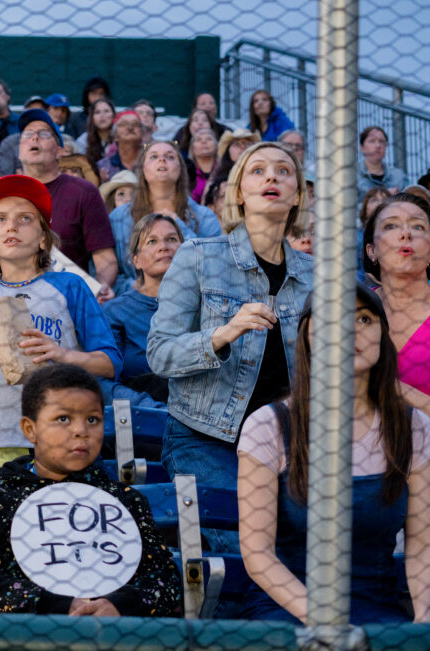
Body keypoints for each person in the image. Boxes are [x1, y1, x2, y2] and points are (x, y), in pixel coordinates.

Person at [147, 141, 312, 553]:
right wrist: (222, 334)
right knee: (243, 548)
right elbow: (160, 353)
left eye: (283, 171)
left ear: (297, 195)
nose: (272, 176)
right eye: (257, 170)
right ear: (238, 192)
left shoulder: (318, 275)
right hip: (206, 438)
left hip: (292, 442)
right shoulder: (199, 257)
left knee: (309, 550)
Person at [238, 285, 430, 624]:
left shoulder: (414, 428)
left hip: (377, 610)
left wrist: (424, 621)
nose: (351, 329)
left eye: (365, 318)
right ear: (309, 337)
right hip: (286, 610)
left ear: (383, 336)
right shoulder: (269, 426)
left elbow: (421, 547)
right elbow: (258, 554)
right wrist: (324, 618)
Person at [0, 175, 121, 481]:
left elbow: (110, 363)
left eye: (25, 218)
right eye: (1, 219)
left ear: (44, 239)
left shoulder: (69, 285)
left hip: (64, 435)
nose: (11, 226)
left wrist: (62, 355)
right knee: (1, 526)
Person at [0, 364, 182, 616]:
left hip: (112, 636)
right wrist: (57, 606)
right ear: (30, 429)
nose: (80, 431)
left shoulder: (125, 501)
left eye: (92, 419)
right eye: (63, 418)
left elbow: (163, 579)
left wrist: (119, 605)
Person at [16, 108, 117, 293]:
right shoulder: (4, 192)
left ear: (60, 152)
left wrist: (102, 287)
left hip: (67, 299)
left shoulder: (84, 192)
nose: (34, 138)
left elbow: (104, 257)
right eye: (27, 134)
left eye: (44, 134)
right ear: (19, 152)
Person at [109, 141, 222, 293]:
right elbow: (110, 275)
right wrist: (139, 288)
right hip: (135, 305)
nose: (162, 160)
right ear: (143, 168)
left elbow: (215, 268)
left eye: (170, 156)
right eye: (154, 156)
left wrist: (180, 227)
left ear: (180, 168)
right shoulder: (118, 218)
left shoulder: (205, 217)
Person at [102, 214, 183, 406]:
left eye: (172, 239)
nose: (164, 247)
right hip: (146, 419)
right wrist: (150, 408)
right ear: (136, 260)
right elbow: (102, 381)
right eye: (152, 241)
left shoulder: (207, 304)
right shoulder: (115, 311)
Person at [362, 194, 430, 410]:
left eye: (418, 227)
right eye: (391, 226)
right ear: (371, 250)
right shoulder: (354, 308)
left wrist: (379, 385)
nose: (405, 234)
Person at [356, 126, 407, 198]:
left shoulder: (399, 177)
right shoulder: (352, 176)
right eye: (372, 141)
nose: (378, 145)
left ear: (386, 146)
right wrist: (382, 197)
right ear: (362, 147)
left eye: (381, 141)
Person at [97, 110, 144, 183]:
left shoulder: (151, 163)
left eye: (135, 124)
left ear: (142, 133)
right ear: (115, 136)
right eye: (124, 124)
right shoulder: (102, 167)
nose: (130, 127)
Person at [77, 98, 115, 170]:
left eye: (106, 111)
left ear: (113, 115)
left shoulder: (121, 137)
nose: (102, 115)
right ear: (91, 117)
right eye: (97, 112)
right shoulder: (83, 140)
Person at [187, 128, 218, 202]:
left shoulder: (226, 170)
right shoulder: (186, 172)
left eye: (209, 139)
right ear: (192, 147)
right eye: (198, 140)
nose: (204, 142)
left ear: (217, 145)